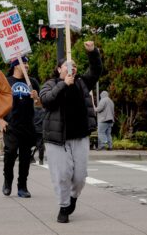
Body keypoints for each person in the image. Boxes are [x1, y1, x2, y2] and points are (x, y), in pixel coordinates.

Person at [39, 41, 102, 223]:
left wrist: (92, 52)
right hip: (57, 139)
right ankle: (63, 206)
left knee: (80, 176)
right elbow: (46, 101)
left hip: (80, 136)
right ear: (59, 70)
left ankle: (73, 197)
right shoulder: (50, 84)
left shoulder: (83, 83)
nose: (71, 68)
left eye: (74, 65)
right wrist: (63, 85)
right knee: (62, 175)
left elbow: (96, 70)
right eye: (67, 65)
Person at [0, 56, 40, 198]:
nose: (27, 65)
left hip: (28, 125)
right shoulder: (6, 81)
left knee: (25, 158)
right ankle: (7, 181)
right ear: (16, 65)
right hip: (11, 124)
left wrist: (36, 98)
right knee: (10, 154)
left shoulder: (32, 82)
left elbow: (40, 104)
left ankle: (22, 186)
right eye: (23, 63)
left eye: (27, 62)